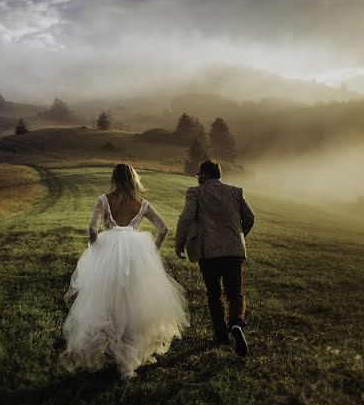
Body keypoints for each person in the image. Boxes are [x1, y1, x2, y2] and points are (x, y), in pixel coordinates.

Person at [61, 164, 190, 381]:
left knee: (107, 306)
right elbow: (163, 228)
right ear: (133, 179)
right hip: (136, 259)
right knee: (135, 309)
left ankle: (112, 350)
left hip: (108, 260)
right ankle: (127, 368)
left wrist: (96, 249)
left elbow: (92, 229)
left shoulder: (103, 200)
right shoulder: (141, 203)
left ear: (114, 178)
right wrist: (152, 251)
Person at [175, 160, 255, 356]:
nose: (198, 178)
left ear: (205, 174)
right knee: (235, 292)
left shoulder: (196, 192)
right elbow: (250, 217)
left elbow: (186, 217)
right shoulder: (236, 191)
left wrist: (180, 243)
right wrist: (238, 236)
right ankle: (236, 324)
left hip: (208, 251)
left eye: (198, 174)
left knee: (214, 292)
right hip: (233, 250)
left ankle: (221, 334)